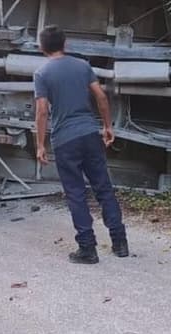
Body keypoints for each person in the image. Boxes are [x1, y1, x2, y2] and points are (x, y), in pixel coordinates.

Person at [33, 25, 129, 264]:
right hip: (89, 133)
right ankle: (120, 242)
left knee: (76, 193)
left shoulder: (42, 73)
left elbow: (42, 111)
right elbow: (101, 97)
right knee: (103, 188)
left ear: (42, 47)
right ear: (64, 44)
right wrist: (107, 126)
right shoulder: (82, 66)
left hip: (65, 139)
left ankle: (88, 248)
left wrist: (40, 144)